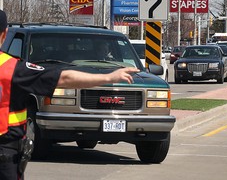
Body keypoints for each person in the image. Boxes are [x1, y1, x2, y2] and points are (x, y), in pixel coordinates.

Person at [0, 10, 139, 180]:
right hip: (5, 153)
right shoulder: (13, 69)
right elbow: (64, 77)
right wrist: (109, 77)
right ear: (5, 34)